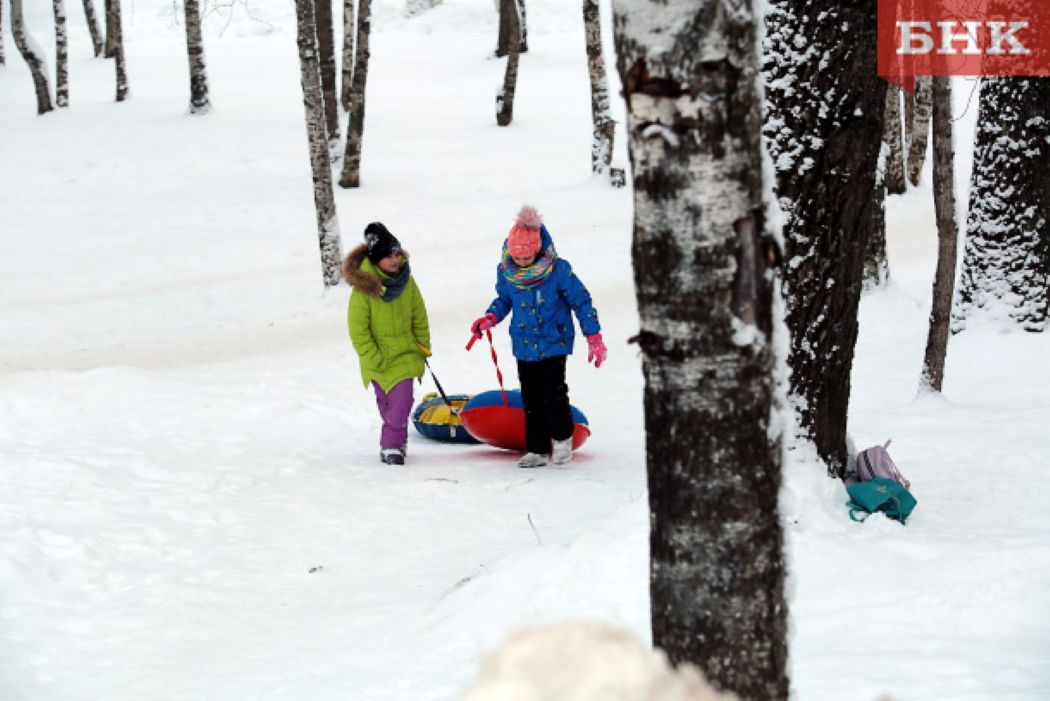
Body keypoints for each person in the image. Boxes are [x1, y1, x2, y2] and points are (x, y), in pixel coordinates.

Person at [470, 205, 607, 468]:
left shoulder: (557, 271)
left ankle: (562, 438)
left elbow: (582, 301)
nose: (521, 262)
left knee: (554, 392)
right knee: (530, 397)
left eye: (526, 258)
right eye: (517, 258)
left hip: (554, 341)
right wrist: (490, 318)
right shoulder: (507, 272)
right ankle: (537, 449)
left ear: (537, 250)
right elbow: (504, 300)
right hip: (524, 344)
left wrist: (594, 336)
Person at [344, 222, 431, 465]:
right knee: (387, 404)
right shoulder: (363, 291)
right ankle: (397, 436)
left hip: (404, 353)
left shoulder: (407, 283)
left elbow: (418, 314)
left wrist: (422, 345)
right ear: (374, 260)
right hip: (378, 358)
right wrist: (373, 357)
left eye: (396, 253)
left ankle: (390, 445)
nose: (394, 260)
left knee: (402, 401)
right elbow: (358, 330)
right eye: (387, 256)